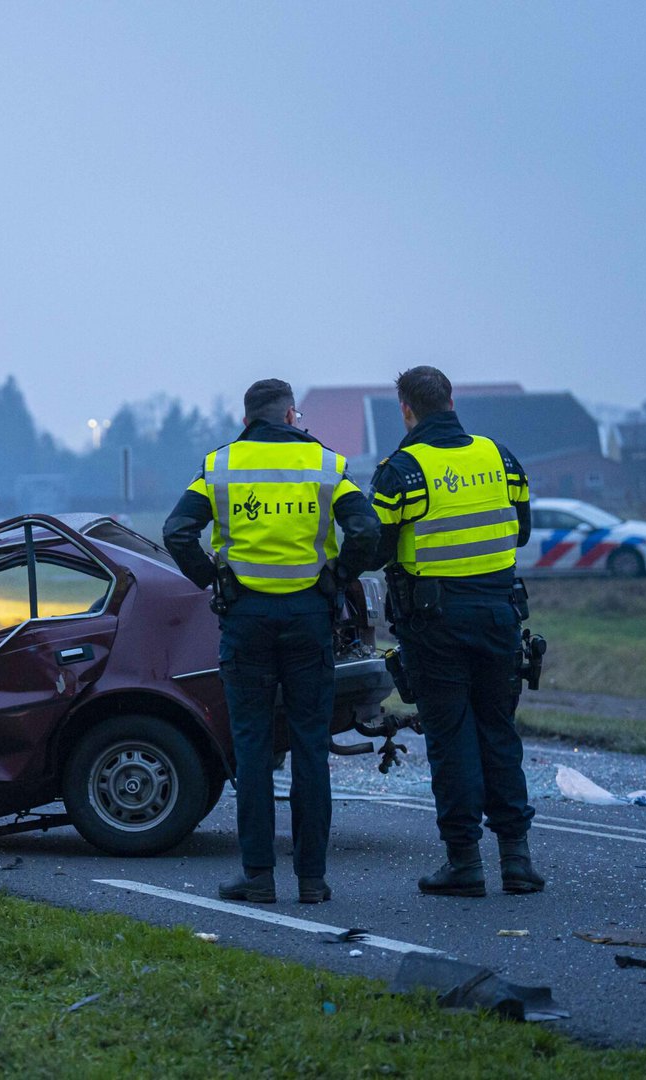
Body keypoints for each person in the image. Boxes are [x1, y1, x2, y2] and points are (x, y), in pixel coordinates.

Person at [164, 379, 378, 905]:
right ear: (290, 414)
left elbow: (176, 532)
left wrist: (214, 582)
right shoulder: (326, 465)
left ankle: (258, 876)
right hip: (309, 619)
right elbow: (368, 531)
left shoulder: (221, 466)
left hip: (247, 620)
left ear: (246, 420)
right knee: (310, 749)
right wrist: (337, 576)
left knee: (254, 751)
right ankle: (312, 880)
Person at [365, 366, 543, 897]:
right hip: (499, 616)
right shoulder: (499, 455)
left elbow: (375, 548)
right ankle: (517, 860)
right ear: (450, 399)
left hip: (435, 623)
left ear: (406, 408)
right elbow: (523, 529)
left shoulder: (402, 470)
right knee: (498, 732)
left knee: (451, 739)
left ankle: (464, 862)